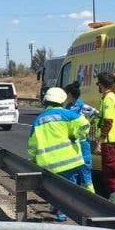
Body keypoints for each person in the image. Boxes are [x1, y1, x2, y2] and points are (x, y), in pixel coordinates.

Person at [27, 86, 90, 222]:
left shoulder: (38, 120)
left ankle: (56, 208)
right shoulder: (68, 115)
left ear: (46, 101)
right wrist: (76, 135)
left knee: (53, 188)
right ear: (62, 101)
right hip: (69, 161)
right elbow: (84, 123)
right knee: (67, 189)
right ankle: (62, 214)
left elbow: (32, 144)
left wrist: (32, 160)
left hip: (48, 163)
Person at [62, 82, 96, 193]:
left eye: (65, 94)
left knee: (85, 169)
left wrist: (86, 128)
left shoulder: (82, 106)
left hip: (82, 142)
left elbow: (96, 115)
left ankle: (91, 197)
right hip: (71, 143)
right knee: (72, 170)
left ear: (70, 94)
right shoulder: (67, 106)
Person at [95, 72, 115, 194]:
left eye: (98, 84)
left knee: (110, 174)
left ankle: (113, 201)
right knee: (114, 172)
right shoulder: (114, 97)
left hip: (109, 141)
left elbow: (108, 122)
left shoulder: (108, 99)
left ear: (101, 85)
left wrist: (100, 142)